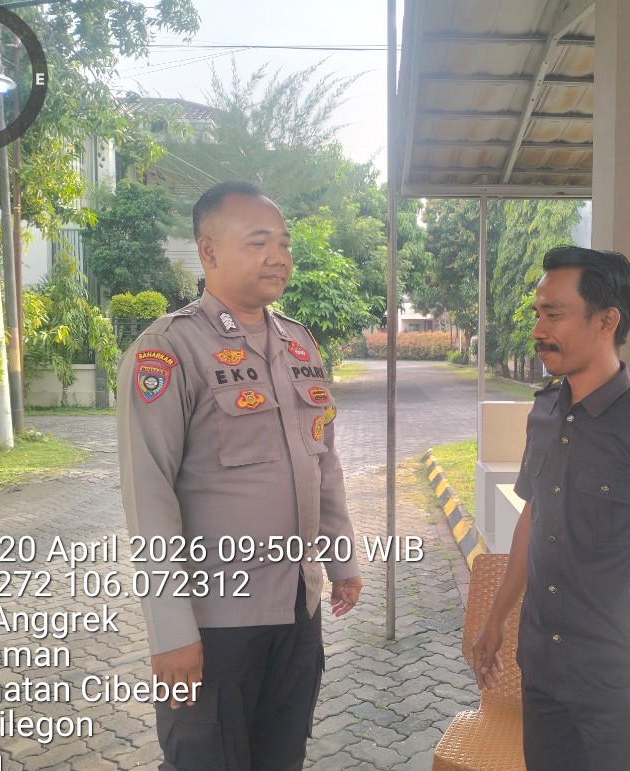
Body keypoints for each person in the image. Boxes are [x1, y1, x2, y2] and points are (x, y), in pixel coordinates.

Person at [117, 180, 362, 771]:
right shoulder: (168, 349)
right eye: (258, 242)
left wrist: (342, 560)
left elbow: (323, 463)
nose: (278, 256)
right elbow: (148, 494)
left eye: (284, 243)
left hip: (297, 610)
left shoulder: (299, 345)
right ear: (208, 251)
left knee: (282, 758)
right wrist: (170, 631)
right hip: (215, 624)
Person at [471, 246, 630, 770]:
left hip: (615, 687)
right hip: (542, 671)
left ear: (606, 321)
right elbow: (532, 518)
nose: (538, 330)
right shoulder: (545, 412)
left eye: (554, 315)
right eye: (538, 314)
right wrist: (496, 617)